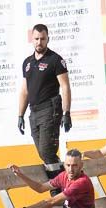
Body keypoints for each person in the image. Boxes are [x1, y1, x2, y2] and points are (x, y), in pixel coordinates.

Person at [17, 24, 71, 182]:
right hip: (34, 112)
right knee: (43, 153)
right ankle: (64, 180)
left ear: (48, 39)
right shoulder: (27, 63)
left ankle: (59, 187)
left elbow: (65, 87)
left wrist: (67, 113)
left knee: (47, 151)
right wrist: (20, 115)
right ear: (31, 39)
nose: (39, 42)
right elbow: (24, 91)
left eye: (42, 39)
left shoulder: (55, 60)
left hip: (50, 110)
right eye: (36, 39)